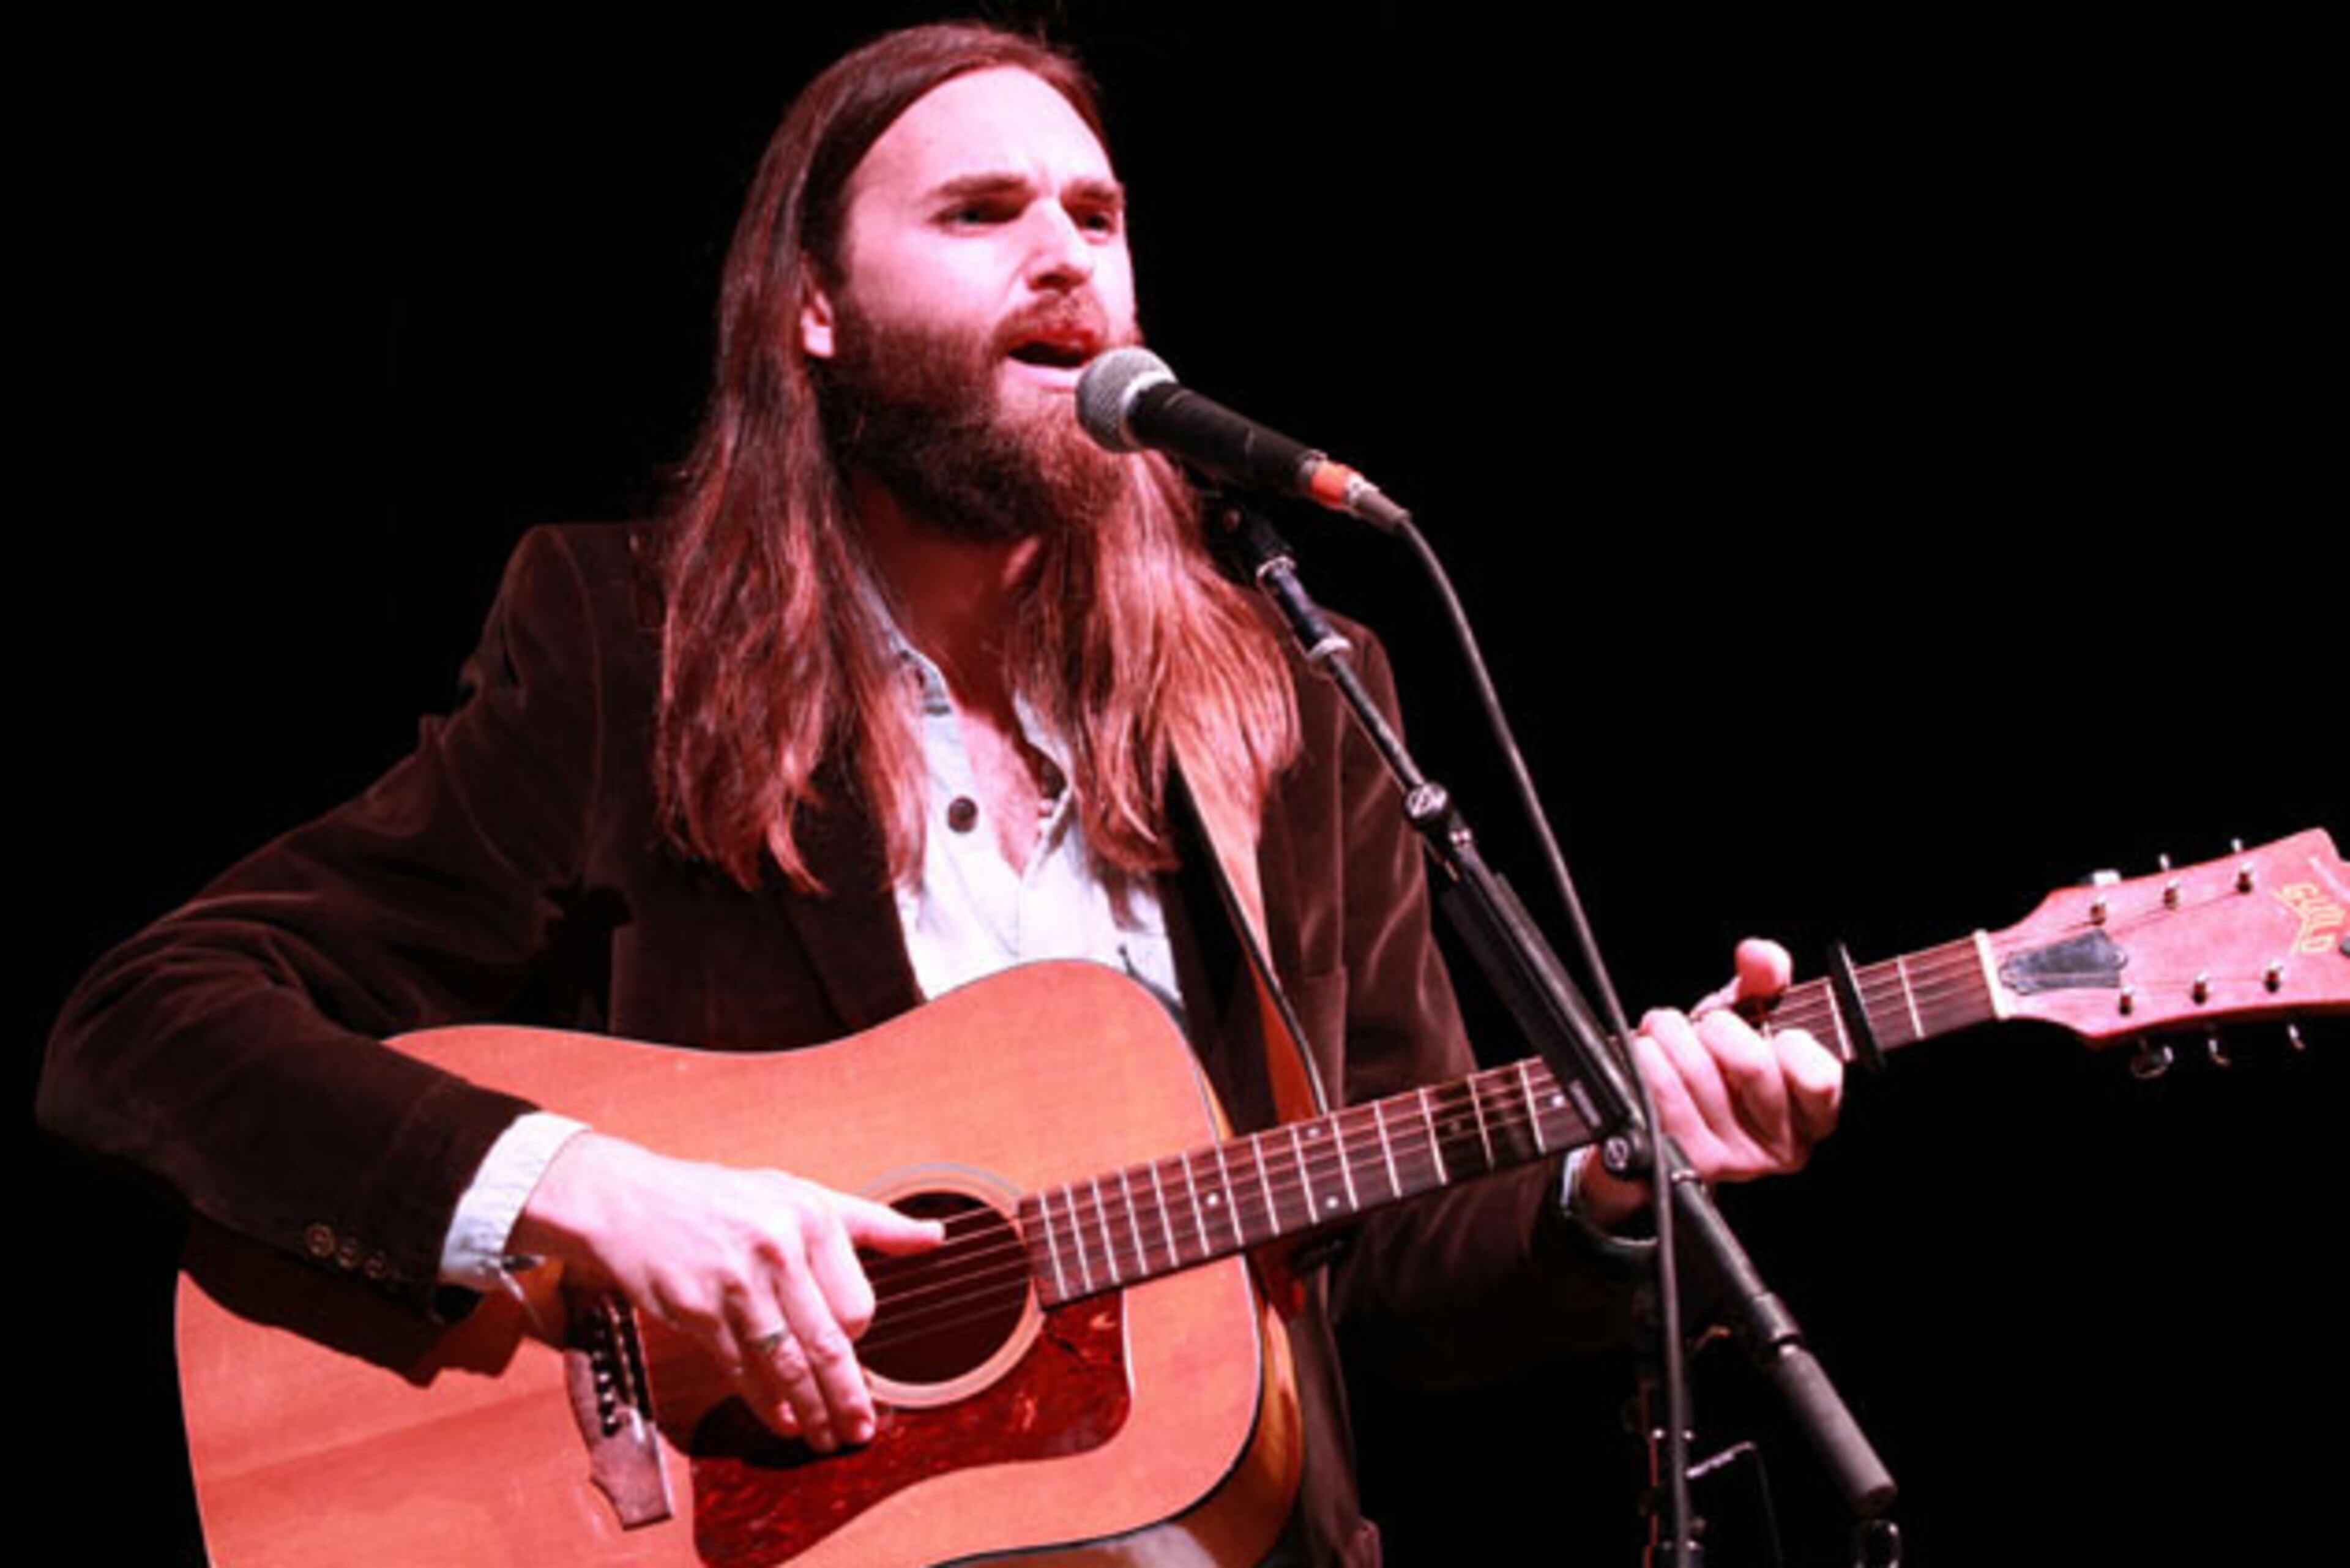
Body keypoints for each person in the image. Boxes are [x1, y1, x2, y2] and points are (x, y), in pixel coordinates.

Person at [40, 22, 1840, 1566]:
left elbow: (1390, 1261)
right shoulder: (627, 647)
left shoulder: (1299, 696)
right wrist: (593, 1193)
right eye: (982, 214)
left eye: (1100, 216)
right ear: (814, 313)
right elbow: (148, 1025)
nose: (1065, 254)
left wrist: (1612, 1180)